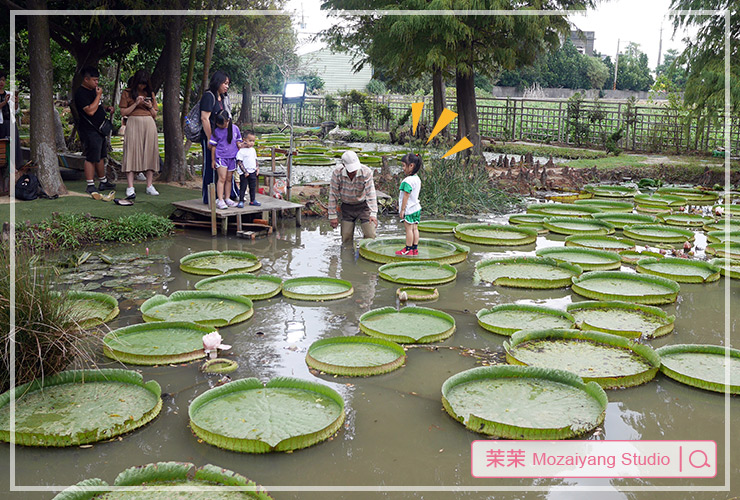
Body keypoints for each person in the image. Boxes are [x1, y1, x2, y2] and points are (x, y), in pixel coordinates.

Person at [73, 66, 115, 196]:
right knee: (91, 157)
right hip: (90, 130)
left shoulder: (93, 91)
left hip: (100, 129)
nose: (97, 83)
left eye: (97, 80)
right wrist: (98, 95)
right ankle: (90, 184)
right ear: (86, 79)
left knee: (101, 156)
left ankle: (103, 181)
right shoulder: (80, 93)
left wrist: (107, 108)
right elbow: (90, 110)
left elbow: (98, 106)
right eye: (94, 80)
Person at [118, 69, 159, 199]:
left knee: (150, 152)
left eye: (144, 84)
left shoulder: (150, 93)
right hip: (133, 123)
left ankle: (149, 185)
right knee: (131, 152)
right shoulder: (127, 93)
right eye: (140, 83)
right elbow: (123, 112)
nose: (142, 86)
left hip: (149, 124)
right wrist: (136, 103)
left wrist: (149, 106)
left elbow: (155, 114)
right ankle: (130, 187)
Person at [200, 70, 236, 204]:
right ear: (217, 82)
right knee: (211, 166)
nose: (227, 86)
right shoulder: (209, 96)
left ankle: (228, 195)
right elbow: (205, 118)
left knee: (226, 167)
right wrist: (211, 139)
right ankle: (209, 197)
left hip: (224, 139)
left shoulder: (224, 98)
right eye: (225, 83)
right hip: (211, 137)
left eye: (228, 84)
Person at [328, 150, 378, 243]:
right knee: (346, 237)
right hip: (347, 207)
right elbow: (333, 194)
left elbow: (370, 193)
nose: (353, 172)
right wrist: (332, 215)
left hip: (363, 206)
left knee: (370, 235)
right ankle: (346, 256)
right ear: (344, 165)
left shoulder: (366, 172)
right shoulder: (337, 173)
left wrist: (373, 214)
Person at [209, 110, 242, 210]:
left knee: (229, 178)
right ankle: (220, 199)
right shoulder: (216, 131)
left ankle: (227, 198)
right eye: (219, 124)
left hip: (232, 157)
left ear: (228, 120)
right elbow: (213, 147)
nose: (221, 125)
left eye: (222, 123)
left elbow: (238, 142)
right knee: (222, 178)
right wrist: (213, 160)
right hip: (221, 157)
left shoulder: (235, 128)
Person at [396, 153, 423, 256]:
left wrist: (402, 210)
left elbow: (406, 196)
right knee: (415, 228)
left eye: (403, 165)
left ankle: (408, 249)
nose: (403, 168)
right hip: (416, 208)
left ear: (411, 166)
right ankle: (414, 249)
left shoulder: (407, 181)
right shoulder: (417, 179)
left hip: (409, 209)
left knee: (408, 230)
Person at [235, 130, 260, 208]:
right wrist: (244, 171)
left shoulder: (253, 150)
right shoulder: (241, 151)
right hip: (244, 173)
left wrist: (257, 167)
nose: (252, 143)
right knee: (243, 187)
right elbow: (239, 162)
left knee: (253, 186)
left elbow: (255, 159)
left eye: (253, 141)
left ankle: (253, 200)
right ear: (244, 140)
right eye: (250, 141)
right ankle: (241, 200)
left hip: (252, 171)